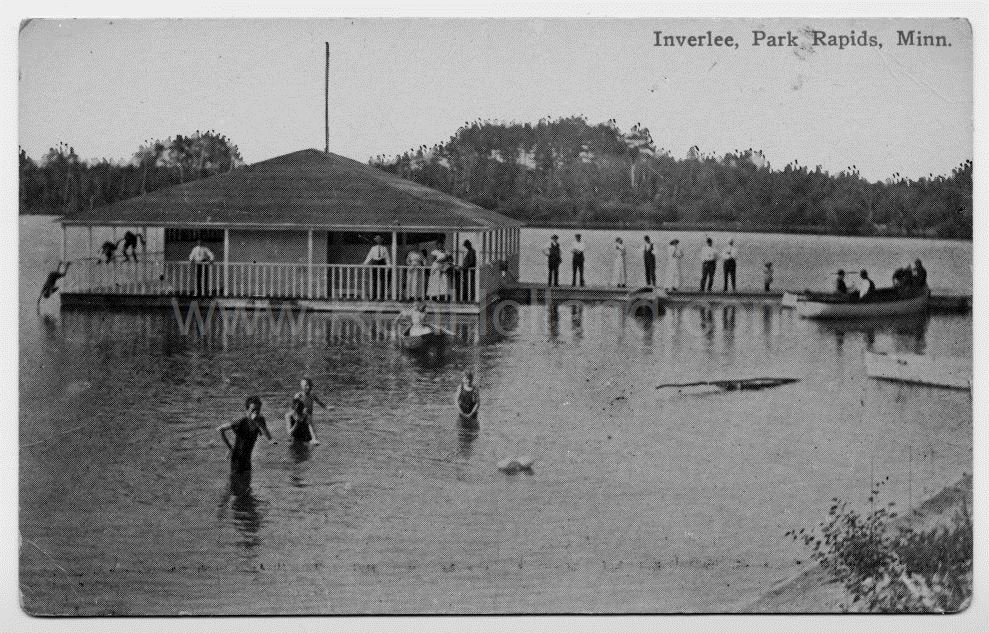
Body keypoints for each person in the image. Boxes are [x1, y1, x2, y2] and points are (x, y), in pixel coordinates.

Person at [218, 395, 275, 474]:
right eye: (253, 410)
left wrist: (270, 440)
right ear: (247, 410)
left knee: (246, 482)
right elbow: (221, 429)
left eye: (258, 410)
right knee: (235, 483)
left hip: (248, 459)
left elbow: (265, 429)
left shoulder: (260, 420)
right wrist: (230, 447)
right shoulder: (241, 422)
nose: (256, 412)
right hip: (237, 459)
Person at [363, 235, 391, 300]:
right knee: (374, 281)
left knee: (383, 281)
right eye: (377, 239)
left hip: (382, 263)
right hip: (375, 264)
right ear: (375, 241)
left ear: (381, 240)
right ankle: (373, 296)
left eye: (379, 239)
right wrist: (365, 264)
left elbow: (387, 258)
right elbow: (369, 256)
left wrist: (389, 264)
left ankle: (382, 296)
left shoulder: (384, 248)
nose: (378, 241)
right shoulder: (373, 248)